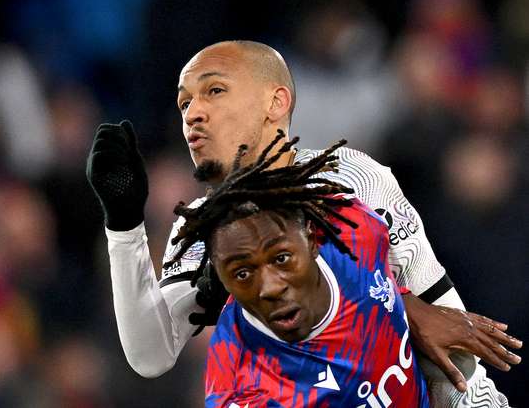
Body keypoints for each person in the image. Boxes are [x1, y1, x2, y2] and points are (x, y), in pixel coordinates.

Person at [86, 40, 520, 405]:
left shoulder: (354, 180)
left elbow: (450, 327)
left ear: (277, 102)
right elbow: (151, 355)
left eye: (213, 91)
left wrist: (406, 309)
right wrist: (124, 228)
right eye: (184, 102)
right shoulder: (201, 231)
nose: (192, 113)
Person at [169, 133, 428, 405]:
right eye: (242, 274)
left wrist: (414, 307)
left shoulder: (357, 229)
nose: (271, 287)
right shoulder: (237, 385)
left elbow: (383, 277)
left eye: (281, 258)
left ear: (312, 240)